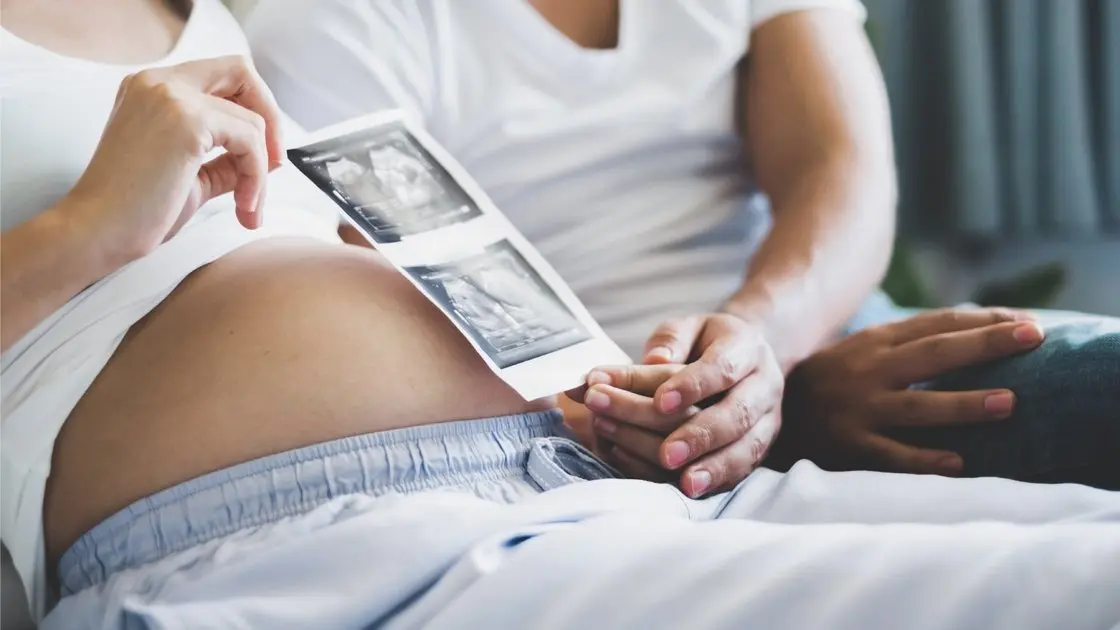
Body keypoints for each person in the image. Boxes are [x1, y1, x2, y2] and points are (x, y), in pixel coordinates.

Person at [1, 1, 1118, 628]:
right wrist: (88, 226)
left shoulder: (194, 12)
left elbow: (843, 167)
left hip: (574, 473)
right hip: (328, 544)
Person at [246, 0, 1120, 496]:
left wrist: (766, 360)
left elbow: (837, 167)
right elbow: (372, 310)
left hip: (822, 346)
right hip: (591, 430)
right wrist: (713, 411)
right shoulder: (333, 22)